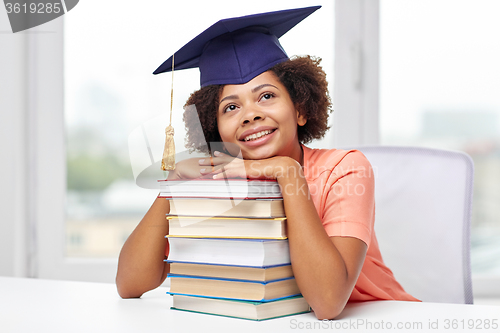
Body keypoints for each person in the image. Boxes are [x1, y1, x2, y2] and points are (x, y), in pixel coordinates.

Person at [116, 6, 419, 320]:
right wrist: (175, 185)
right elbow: (129, 284)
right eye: (231, 106)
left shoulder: (345, 169)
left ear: (300, 109)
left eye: (266, 96)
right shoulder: (215, 187)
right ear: (213, 130)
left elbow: (327, 303)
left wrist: (287, 172)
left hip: (382, 319)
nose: (250, 114)